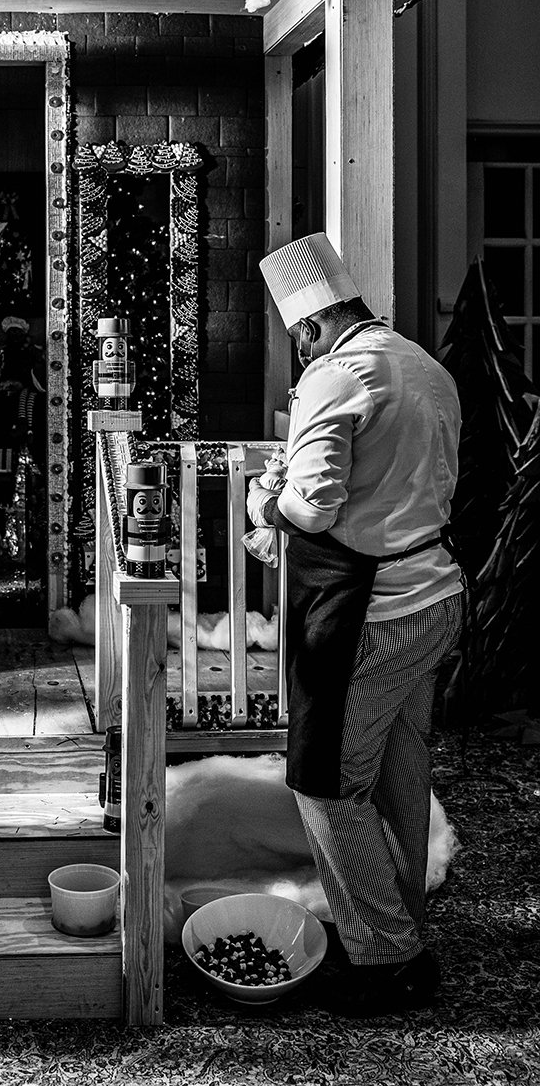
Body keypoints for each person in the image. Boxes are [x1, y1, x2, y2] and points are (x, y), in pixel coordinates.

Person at [250, 232, 464, 1016]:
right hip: (438, 595)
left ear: (308, 327)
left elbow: (314, 507)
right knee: (400, 769)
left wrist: (265, 503)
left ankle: (389, 959)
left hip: (377, 612)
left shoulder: (335, 375)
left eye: (294, 338)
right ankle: (402, 919)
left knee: (325, 784)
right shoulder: (423, 363)